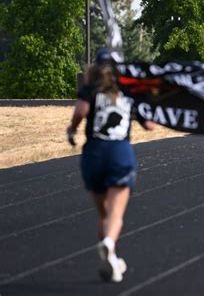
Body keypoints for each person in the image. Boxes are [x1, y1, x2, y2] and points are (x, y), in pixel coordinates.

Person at [66, 51, 156, 283]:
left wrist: (72, 130)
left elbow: (81, 111)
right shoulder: (130, 91)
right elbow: (150, 125)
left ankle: (112, 261)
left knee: (104, 214)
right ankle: (108, 244)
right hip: (119, 153)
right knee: (116, 214)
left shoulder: (92, 87)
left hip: (93, 154)